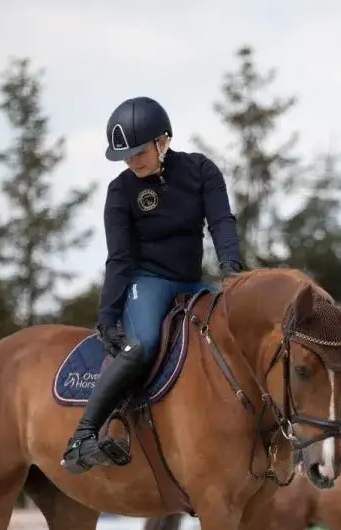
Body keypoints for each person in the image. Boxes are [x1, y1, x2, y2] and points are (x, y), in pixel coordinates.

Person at [61, 96, 244, 475]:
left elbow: (222, 221)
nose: (132, 162)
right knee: (140, 345)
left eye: (138, 152)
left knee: (237, 329)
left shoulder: (201, 171)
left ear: (163, 140)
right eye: (124, 156)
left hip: (194, 283)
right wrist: (108, 315)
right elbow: (119, 258)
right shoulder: (121, 191)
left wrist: (231, 269)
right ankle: (82, 436)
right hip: (148, 283)